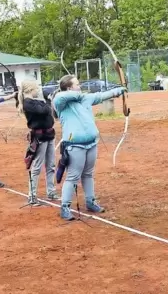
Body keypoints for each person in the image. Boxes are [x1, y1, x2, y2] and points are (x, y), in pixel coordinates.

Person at [51, 74, 126, 221]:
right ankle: (65, 207)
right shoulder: (61, 103)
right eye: (77, 84)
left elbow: (102, 95)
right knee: (73, 175)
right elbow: (59, 96)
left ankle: (90, 202)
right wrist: (78, 95)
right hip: (75, 145)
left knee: (88, 174)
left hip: (91, 143)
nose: (80, 87)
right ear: (69, 88)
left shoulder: (86, 98)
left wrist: (119, 90)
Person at [18, 79, 60, 206]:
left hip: (49, 134)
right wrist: (47, 102)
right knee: (36, 166)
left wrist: (46, 103)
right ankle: (32, 196)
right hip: (39, 136)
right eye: (36, 88)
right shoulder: (28, 103)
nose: (38, 90)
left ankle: (51, 191)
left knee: (51, 165)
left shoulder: (36, 102)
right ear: (31, 89)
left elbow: (48, 110)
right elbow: (44, 110)